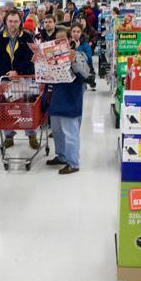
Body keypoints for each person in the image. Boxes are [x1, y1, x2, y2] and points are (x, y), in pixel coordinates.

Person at [0, 9, 40, 150]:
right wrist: (8, 73)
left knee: (27, 107)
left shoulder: (26, 37)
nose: (12, 24)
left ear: (20, 22)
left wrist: (18, 72)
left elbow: (31, 59)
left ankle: (31, 135)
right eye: (10, 21)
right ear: (6, 22)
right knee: (6, 108)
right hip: (6, 79)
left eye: (15, 21)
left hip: (24, 77)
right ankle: (8, 136)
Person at [46, 29, 90, 174]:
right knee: (57, 130)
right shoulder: (51, 57)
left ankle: (73, 163)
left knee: (71, 132)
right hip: (56, 98)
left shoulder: (78, 55)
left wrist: (74, 61)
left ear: (69, 40)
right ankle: (62, 156)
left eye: (63, 40)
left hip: (71, 98)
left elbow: (86, 73)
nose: (60, 43)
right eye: (56, 41)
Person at [71, 22, 95, 89]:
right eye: (74, 31)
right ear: (70, 32)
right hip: (69, 77)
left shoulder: (85, 45)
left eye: (78, 32)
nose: (75, 33)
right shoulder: (67, 43)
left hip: (80, 75)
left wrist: (77, 49)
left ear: (81, 33)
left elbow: (89, 59)